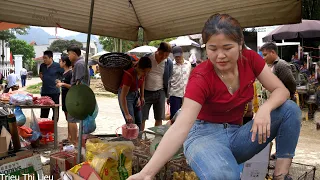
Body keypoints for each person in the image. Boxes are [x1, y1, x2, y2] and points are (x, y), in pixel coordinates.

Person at [128, 14, 301, 180]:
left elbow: (282, 91)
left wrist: (265, 108)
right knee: (224, 176)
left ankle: (280, 176)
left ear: (240, 44)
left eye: (227, 48)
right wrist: (147, 174)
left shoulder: (250, 59)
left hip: (237, 135)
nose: (220, 56)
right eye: (212, 49)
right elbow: (180, 126)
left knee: (289, 110)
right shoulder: (201, 76)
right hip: (203, 137)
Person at [141, 42, 173, 131]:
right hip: (146, 92)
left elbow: (168, 78)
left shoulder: (168, 63)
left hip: (160, 92)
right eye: (161, 54)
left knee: (159, 118)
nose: (163, 57)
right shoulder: (147, 58)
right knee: (142, 117)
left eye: (166, 55)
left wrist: (168, 93)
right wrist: (141, 94)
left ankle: (156, 139)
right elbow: (140, 75)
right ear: (157, 50)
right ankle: (139, 138)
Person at [118, 57, 152, 129]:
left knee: (139, 121)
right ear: (138, 67)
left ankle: (138, 139)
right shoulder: (129, 75)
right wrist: (127, 114)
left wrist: (142, 96)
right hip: (126, 96)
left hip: (135, 94)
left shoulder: (143, 73)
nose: (145, 73)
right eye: (144, 71)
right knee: (131, 122)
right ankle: (131, 139)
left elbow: (143, 82)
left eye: (147, 72)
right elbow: (123, 96)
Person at [67, 45, 90, 145]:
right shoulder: (81, 63)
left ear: (74, 54)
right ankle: (77, 141)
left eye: (69, 54)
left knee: (71, 118)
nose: (68, 56)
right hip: (82, 94)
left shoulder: (79, 64)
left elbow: (78, 82)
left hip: (78, 94)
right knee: (77, 118)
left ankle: (74, 141)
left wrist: (75, 97)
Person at [168, 46, 191, 119]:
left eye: (179, 56)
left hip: (186, 94)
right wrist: (168, 96)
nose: (178, 58)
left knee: (186, 116)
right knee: (174, 116)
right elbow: (168, 81)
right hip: (175, 94)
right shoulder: (171, 65)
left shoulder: (188, 64)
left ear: (182, 54)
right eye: (176, 56)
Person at [39, 50, 63, 120]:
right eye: (43, 58)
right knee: (44, 111)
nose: (44, 60)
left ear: (51, 58)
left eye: (46, 58)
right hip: (44, 92)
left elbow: (62, 75)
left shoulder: (57, 66)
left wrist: (59, 81)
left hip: (54, 92)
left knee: (55, 111)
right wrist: (45, 79)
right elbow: (40, 74)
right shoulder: (42, 65)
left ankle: (54, 126)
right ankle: (44, 126)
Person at [56, 55, 72, 142]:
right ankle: (69, 137)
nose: (59, 63)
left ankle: (72, 137)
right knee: (67, 118)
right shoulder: (64, 73)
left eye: (60, 61)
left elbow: (72, 86)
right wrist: (60, 82)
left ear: (64, 62)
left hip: (69, 98)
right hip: (64, 96)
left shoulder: (70, 73)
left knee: (70, 118)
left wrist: (62, 84)